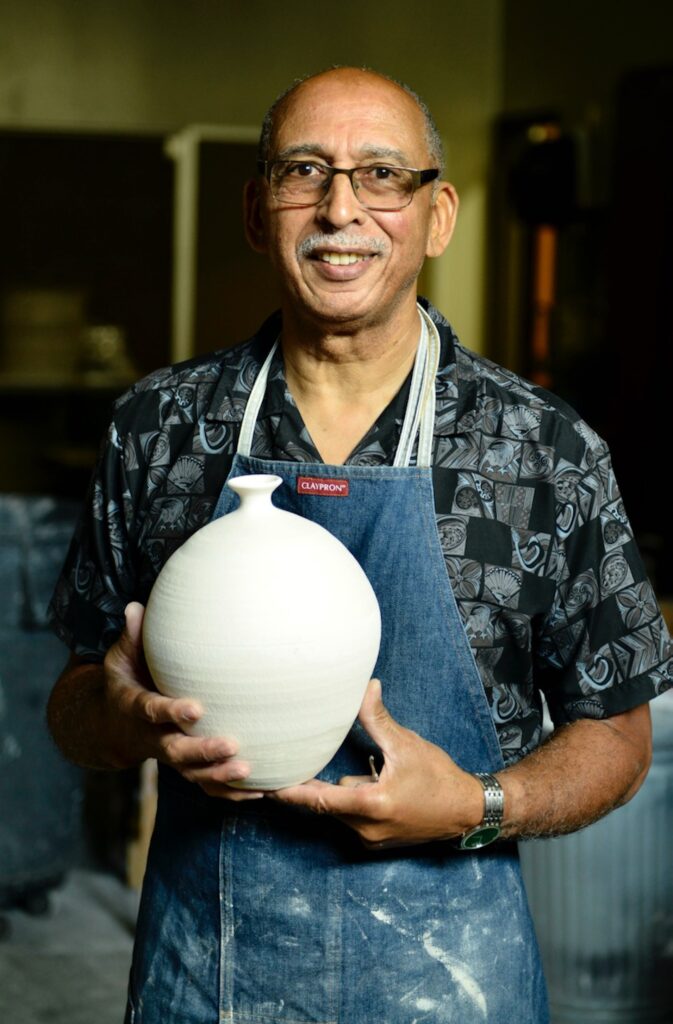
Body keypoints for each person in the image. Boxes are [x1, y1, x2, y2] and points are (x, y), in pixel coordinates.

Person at [47, 67, 671, 1024]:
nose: (342, 208)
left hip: (454, 982)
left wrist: (476, 807)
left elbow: (618, 734)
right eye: (306, 171)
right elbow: (75, 705)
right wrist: (131, 721)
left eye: (382, 175)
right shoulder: (160, 427)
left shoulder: (540, 449)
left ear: (438, 214)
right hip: (208, 980)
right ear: (259, 212)